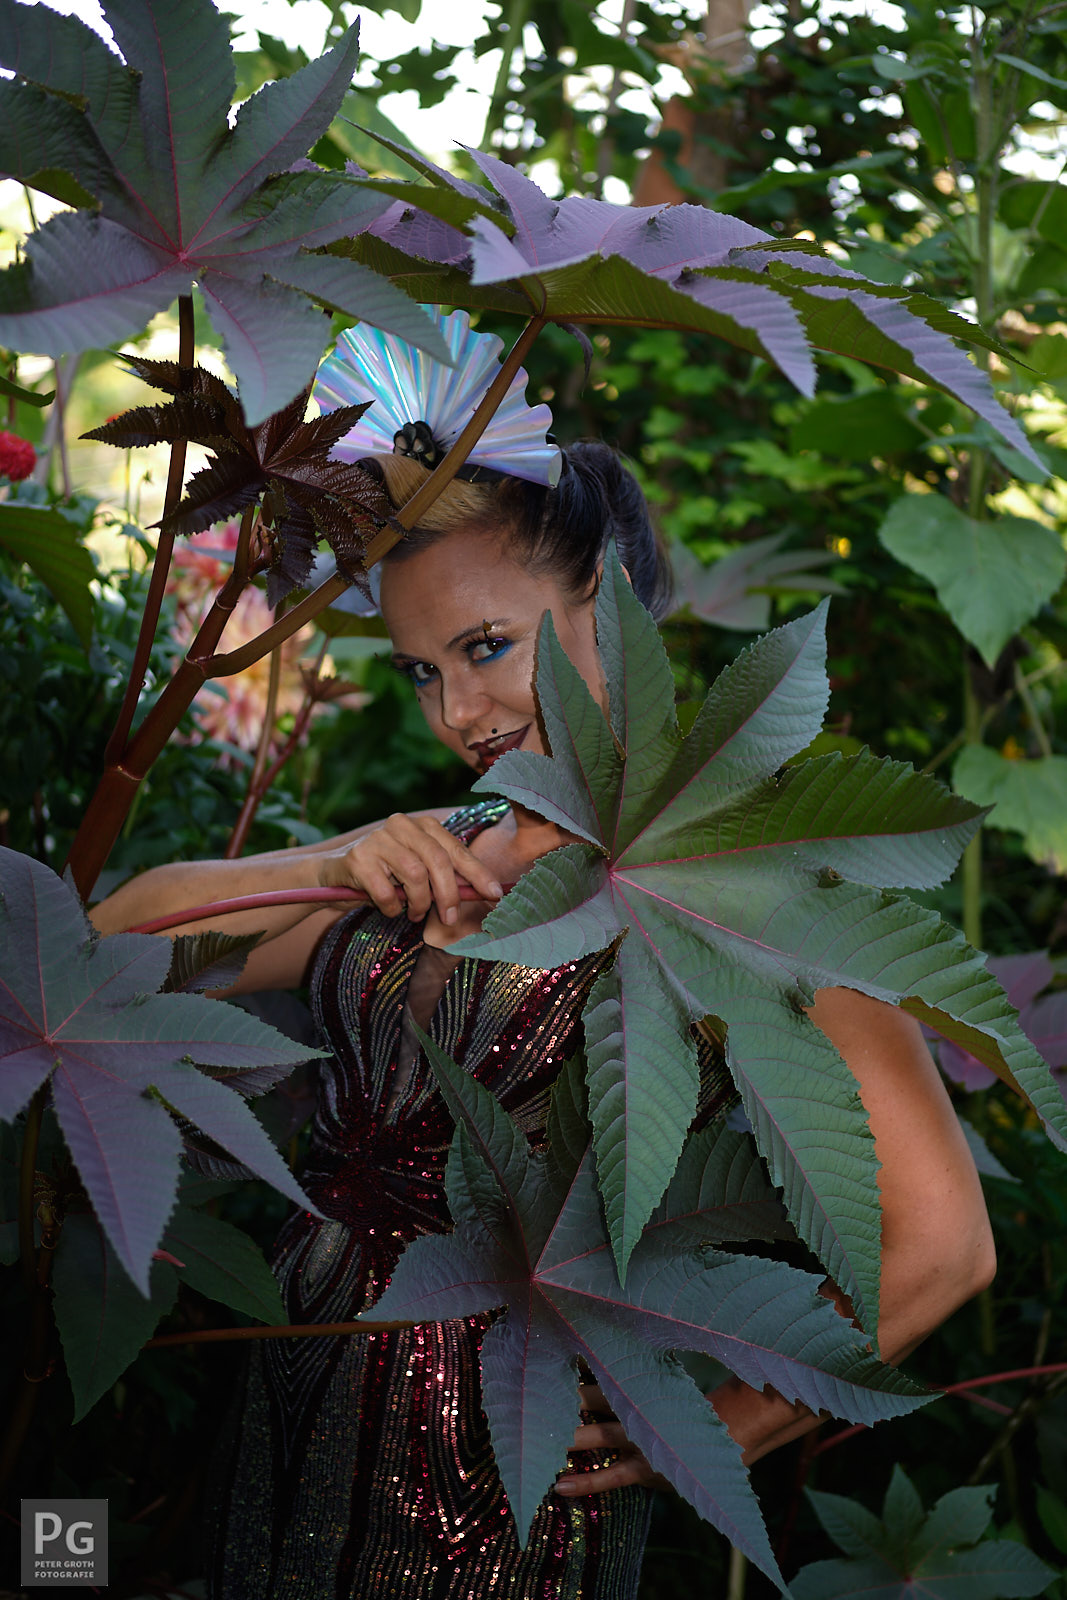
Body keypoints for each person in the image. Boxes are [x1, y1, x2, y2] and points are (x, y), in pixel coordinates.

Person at [92, 312, 996, 1600]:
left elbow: (945, 1249)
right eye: (420, 673)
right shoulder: (433, 850)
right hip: (280, 1426)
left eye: (486, 648)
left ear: (609, 601)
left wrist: (724, 1428)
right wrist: (334, 870)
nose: (457, 713)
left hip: (505, 1490)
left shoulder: (749, 888)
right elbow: (113, 948)